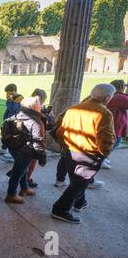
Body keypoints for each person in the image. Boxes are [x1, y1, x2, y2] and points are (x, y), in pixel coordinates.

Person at [51, 84, 116, 224]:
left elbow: (60, 130)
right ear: (107, 97)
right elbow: (106, 138)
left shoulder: (74, 108)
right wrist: (103, 155)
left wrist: (64, 146)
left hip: (70, 150)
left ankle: (80, 202)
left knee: (78, 181)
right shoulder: (104, 113)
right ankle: (60, 210)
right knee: (79, 183)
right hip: (88, 153)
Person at [4, 97, 46, 204]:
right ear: (33, 107)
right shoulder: (35, 121)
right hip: (26, 151)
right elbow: (38, 142)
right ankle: (11, 195)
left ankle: (24, 188)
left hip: (14, 148)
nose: (41, 106)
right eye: (39, 104)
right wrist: (42, 158)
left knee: (23, 169)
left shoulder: (17, 115)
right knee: (18, 172)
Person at [25, 89, 54, 188]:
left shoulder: (25, 106)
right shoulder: (39, 111)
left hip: (24, 139)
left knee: (24, 161)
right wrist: (50, 116)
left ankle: (19, 176)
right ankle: (26, 179)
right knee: (32, 162)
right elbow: (49, 126)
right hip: (35, 139)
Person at [102, 80, 128, 169]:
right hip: (115, 124)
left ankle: (102, 159)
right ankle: (100, 160)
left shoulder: (115, 95)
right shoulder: (120, 97)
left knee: (110, 142)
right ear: (121, 87)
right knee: (114, 142)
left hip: (111, 123)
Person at [0, 84, 19, 158]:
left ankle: (11, 151)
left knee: (12, 136)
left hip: (14, 120)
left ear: (13, 91)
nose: (8, 94)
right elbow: (8, 109)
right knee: (5, 135)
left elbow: (12, 108)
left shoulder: (19, 97)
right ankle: (4, 148)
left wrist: (9, 100)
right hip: (9, 120)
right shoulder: (14, 97)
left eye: (9, 92)